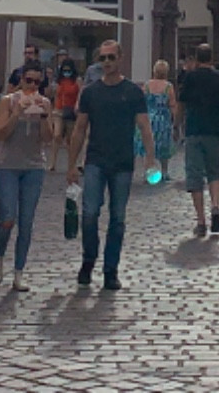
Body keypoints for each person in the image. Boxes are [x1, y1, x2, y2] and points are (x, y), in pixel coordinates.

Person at [67, 40, 154, 291]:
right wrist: (72, 164)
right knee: (90, 213)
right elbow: (80, 129)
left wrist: (150, 158)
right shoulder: (91, 92)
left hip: (122, 163)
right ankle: (88, 259)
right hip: (95, 160)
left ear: (120, 58)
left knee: (118, 218)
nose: (106, 63)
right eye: (102, 58)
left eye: (111, 58)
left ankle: (110, 270)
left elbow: (144, 126)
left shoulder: (133, 92)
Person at [0, 62, 58, 291]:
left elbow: (48, 138)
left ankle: (19, 272)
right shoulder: (7, 101)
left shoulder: (45, 103)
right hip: (8, 166)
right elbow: (1, 134)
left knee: (26, 222)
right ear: (21, 80)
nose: (32, 86)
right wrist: (17, 113)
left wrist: (43, 116)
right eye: (28, 81)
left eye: (37, 83)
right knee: (8, 218)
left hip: (33, 167)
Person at [176, 44, 219, 235]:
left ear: (196, 58)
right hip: (214, 130)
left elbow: (181, 104)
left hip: (194, 130)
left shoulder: (189, 78)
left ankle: (201, 221)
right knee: (214, 172)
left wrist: (176, 126)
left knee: (194, 175)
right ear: (211, 58)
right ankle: (216, 205)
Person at [140, 60, 176, 175]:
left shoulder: (146, 85)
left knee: (148, 146)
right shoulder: (168, 86)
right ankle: (164, 172)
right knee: (164, 146)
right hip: (162, 119)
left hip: (148, 118)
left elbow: (141, 102)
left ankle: (148, 172)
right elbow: (172, 104)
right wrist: (175, 119)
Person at [50, 55, 82, 171]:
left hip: (71, 110)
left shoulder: (77, 81)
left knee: (70, 139)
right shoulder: (59, 80)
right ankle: (52, 162)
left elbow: (80, 94)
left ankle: (71, 163)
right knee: (57, 135)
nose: (66, 72)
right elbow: (54, 94)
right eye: (64, 70)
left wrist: (77, 106)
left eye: (68, 70)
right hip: (58, 109)